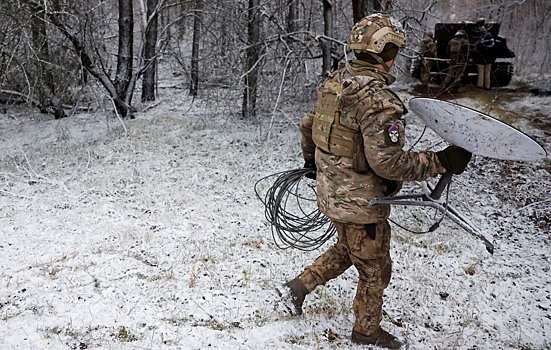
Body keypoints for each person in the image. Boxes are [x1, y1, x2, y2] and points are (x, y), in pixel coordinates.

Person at [276, 13, 472, 349]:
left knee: (347, 250)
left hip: (332, 193)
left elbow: (308, 125)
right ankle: (366, 332)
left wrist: (313, 163)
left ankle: (296, 289)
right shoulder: (377, 100)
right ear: (386, 51)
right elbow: (389, 163)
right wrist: (440, 161)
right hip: (362, 204)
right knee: (375, 269)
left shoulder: (336, 80)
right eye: (395, 48)